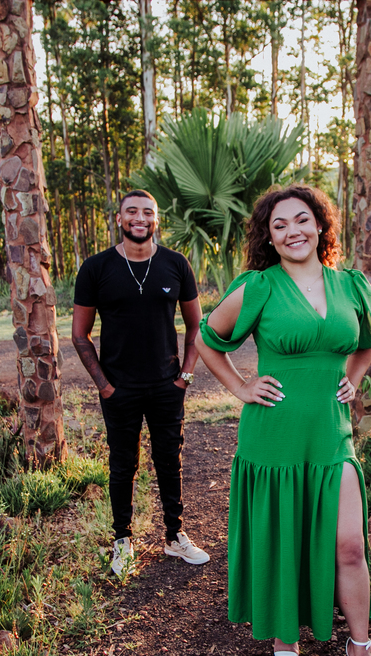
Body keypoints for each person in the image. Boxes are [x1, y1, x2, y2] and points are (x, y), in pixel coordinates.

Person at [195, 184, 371, 656]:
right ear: (269, 238)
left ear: (320, 225)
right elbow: (207, 339)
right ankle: (284, 625)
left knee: (349, 546)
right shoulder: (258, 287)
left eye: (301, 220)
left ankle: (360, 648)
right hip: (273, 438)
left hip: (330, 436)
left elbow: (368, 344)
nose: (292, 231)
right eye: (279, 225)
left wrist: (353, 379)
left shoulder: (352, 285)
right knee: (284, 535)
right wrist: (241, 387)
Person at [72, 190, 210, 576]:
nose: (139, 218)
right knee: (122, 465)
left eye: (147, 212)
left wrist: (185, 376)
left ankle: (175, 536)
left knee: (169, 460)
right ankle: (123, 541)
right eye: (131, 211)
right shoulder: (96, 268)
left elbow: (197, 326)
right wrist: (104, 386)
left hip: (167, 385)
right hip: (119, 388)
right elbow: (80, 335)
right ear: (119, 218)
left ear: (155, 219)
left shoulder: (175, 264)